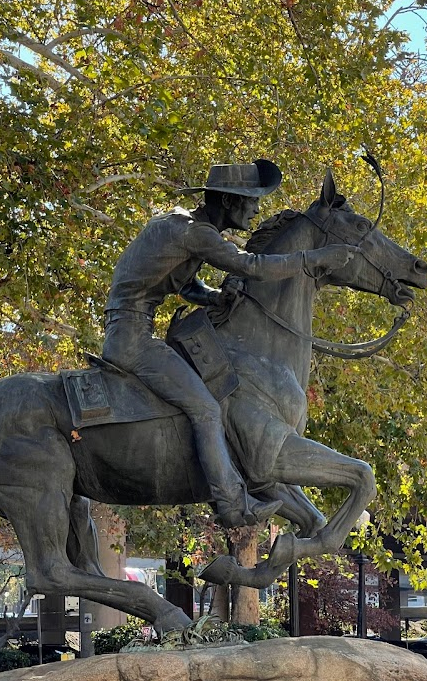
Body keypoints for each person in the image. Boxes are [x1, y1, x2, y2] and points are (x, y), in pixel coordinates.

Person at [102, 160, 353, 528]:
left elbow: (183, 285)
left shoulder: (184, 227)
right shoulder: (193, 232)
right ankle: (232, 503)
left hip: (135, 329)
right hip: (132, 338)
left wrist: (213, 297)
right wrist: (311, 259)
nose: (256, 209)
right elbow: (250, 266)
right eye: (250, 200)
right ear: (229, 201)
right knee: (206, 409)